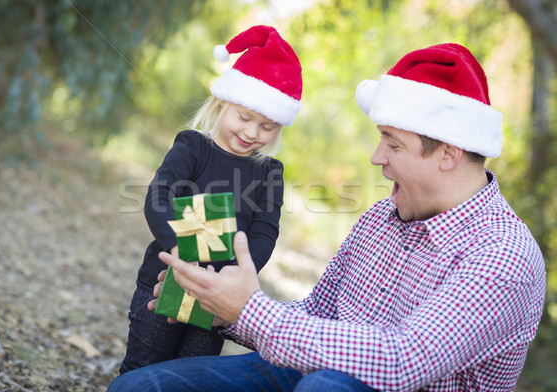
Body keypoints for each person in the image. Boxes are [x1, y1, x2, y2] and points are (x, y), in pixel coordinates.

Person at [109, 43, 546, 391]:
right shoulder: (381, 220)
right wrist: (222, 307)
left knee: (326, 386)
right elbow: (318, 313)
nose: (377, 158)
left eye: (392, 145)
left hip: (361, 383)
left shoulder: (502, 256)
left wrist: (248, 311)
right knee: (140, 386)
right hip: (307, 370)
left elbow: (403, 360)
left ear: (449, 154)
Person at [118, 25, 303, 374]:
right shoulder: (194, 147)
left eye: (267, 127)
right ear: (221, 103)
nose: (251, 133)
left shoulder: (269, 172)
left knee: (191, 375)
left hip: (218, 294)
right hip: (166, 280)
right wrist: (179, 251)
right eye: (244, 117)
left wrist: (237, 271)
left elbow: (265, 231)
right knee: (143, 367)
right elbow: (159, 195)